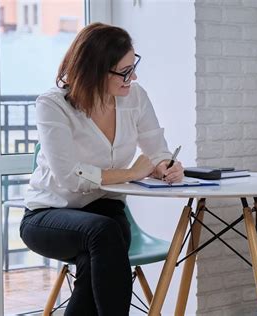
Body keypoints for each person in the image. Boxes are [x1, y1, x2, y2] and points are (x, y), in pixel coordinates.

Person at [20, 22, 184, 316]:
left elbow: (157, 150)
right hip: (47, 215)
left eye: (133, 67)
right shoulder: (53, 105)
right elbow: (68, 176)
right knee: (105, 234)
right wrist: (132, 173)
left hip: (104, 212)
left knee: (97, 251)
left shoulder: (135, 96)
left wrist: (166, 166)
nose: (133, 77)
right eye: (124, 72)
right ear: (94, 70)